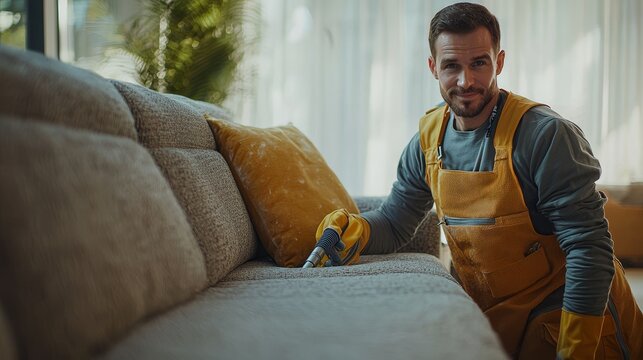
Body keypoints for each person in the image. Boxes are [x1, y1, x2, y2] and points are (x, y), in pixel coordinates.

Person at [315, 2, 643, 359]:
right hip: (496, 324)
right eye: (451, 66)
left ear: (499, 62)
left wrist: (576, 349)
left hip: (574, 324)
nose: (465, 81)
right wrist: (358, 230)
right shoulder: (428, 138)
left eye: (479, 64)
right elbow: (395, 223)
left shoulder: (545, 136)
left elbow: (588, 249)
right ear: (432, 67)